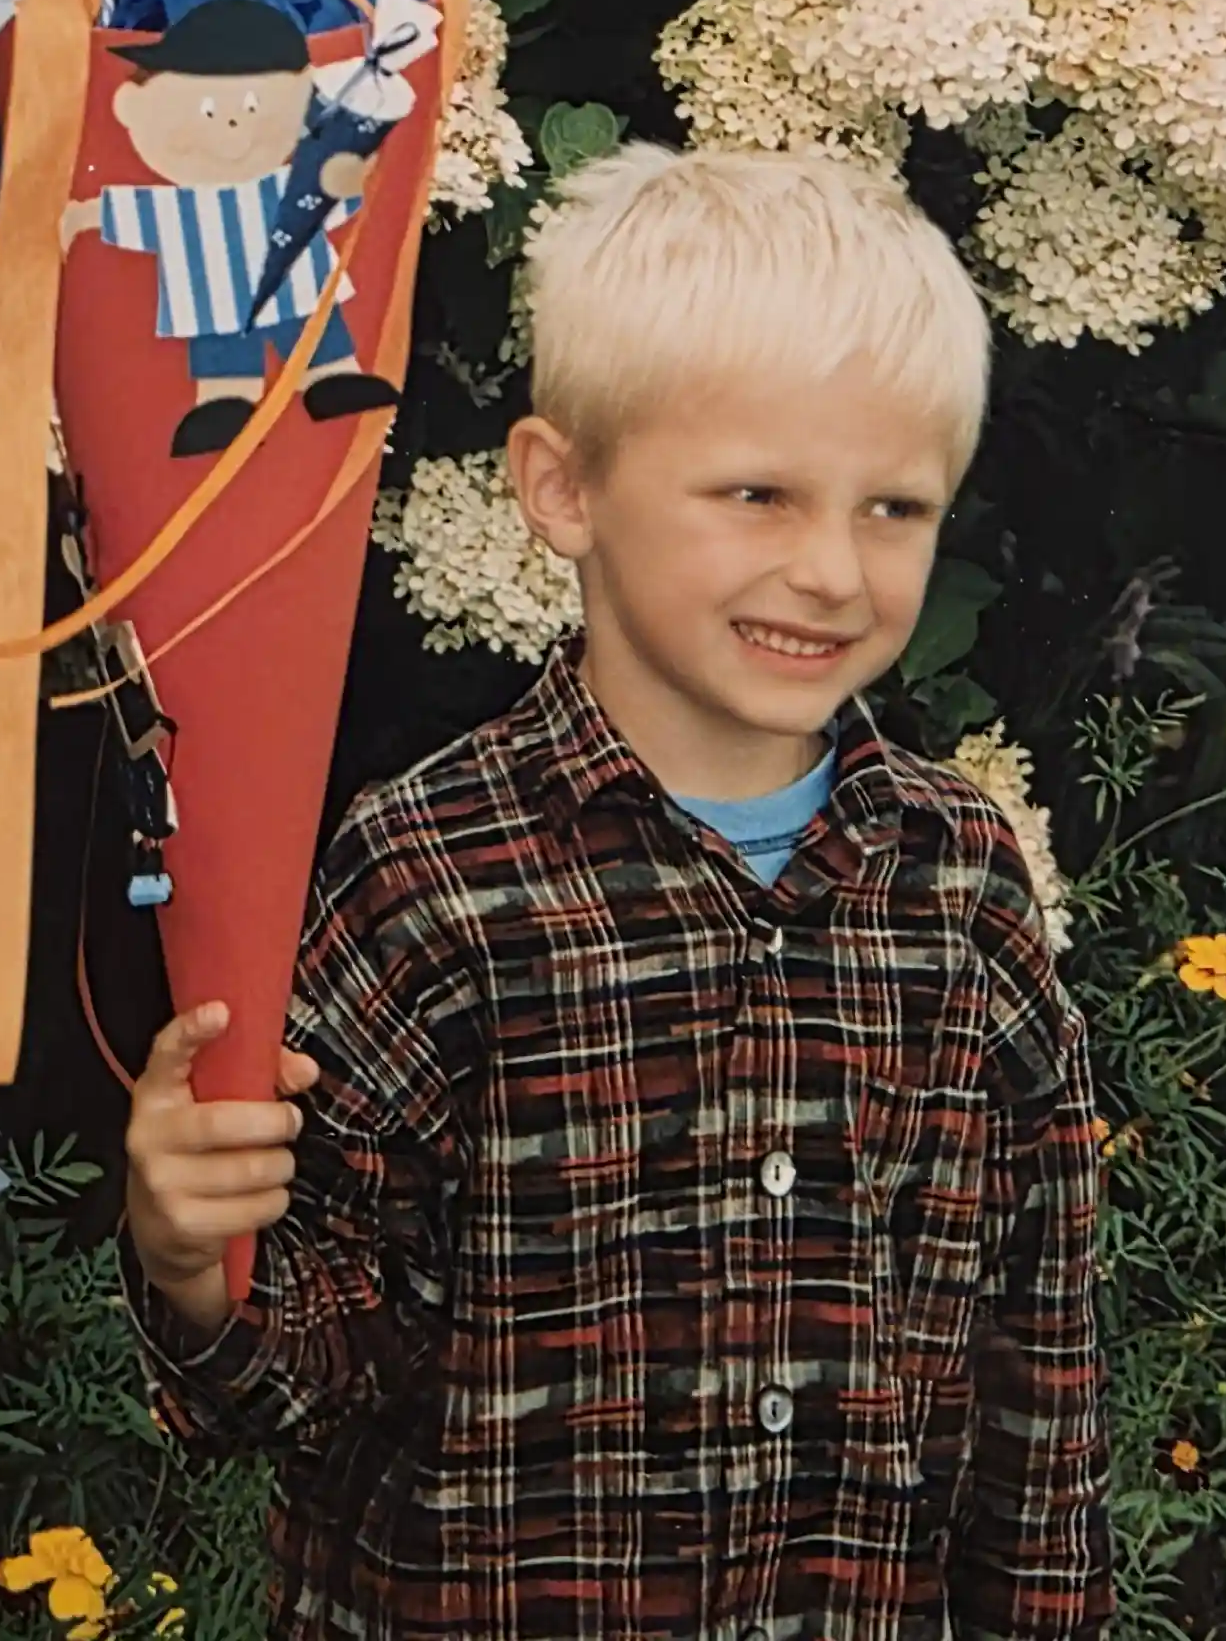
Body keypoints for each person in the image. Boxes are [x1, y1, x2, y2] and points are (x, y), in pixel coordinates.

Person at [120, 142, 1113, 1641]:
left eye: (894, 508)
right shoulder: (431, 878)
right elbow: (308, 1371)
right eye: (760, 493)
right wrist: (195, 1262)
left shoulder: (961, 889)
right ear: (564, 487)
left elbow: (1039, 1365)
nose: (834, 572)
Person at [61, 0, 399, 459]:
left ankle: (331, 379)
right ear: (132, 107)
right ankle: (226, 406)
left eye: (251, 107)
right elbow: (133, 212)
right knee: (225, 351)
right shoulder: (179, 207)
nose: (232, 124)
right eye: (207, 112)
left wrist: (345, 172)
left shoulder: (280, 182)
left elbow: (323, 194)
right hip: (215, 299)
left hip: (291, 286)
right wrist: (84, 215)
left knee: (312, 332)